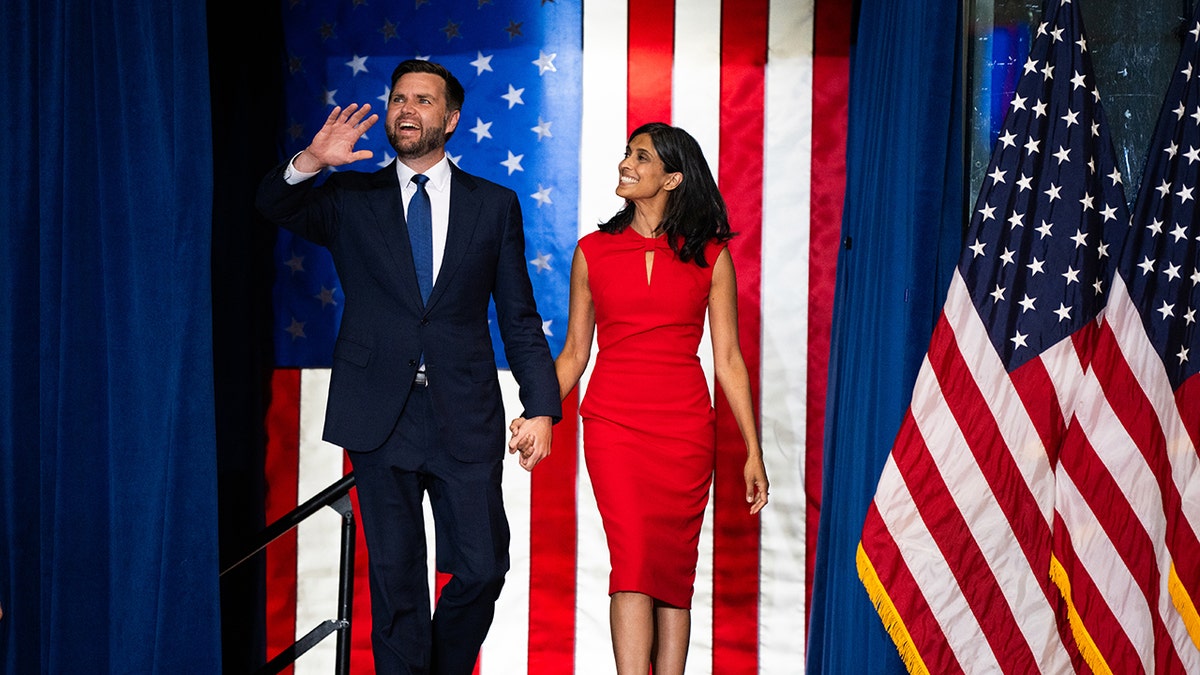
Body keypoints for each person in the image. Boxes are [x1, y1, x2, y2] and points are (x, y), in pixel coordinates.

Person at [256, 59, 561, 675]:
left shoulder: (493, 205)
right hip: (379, 414)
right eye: (399, 98)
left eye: (423, 101)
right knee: (397, 585)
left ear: (450, 119)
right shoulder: (350, 197)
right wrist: (310, 162)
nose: (406, 109)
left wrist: (543, 407)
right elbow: (272, 206)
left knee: (482, 568)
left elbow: (520, 317)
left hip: (464, 412)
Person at [509, 122, 769, 674]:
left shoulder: (712, 256)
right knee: (631, 562)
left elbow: (729, 359)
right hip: (614, 425)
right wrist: (538, 413)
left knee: (673, 572)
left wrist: (753, 449)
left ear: (672, 177)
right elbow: (575, 352)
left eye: (641, 157)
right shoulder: (592, 252)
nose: (626, 163)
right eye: (627, 153)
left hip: (685, 431)